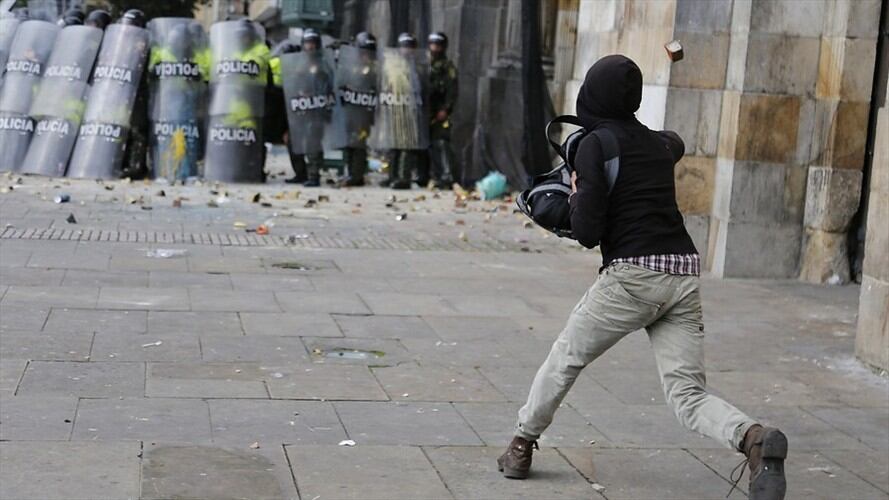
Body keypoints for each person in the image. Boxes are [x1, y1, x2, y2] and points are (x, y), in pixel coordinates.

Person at [497, 55, 787, 500]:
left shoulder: (595, 145)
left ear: (591, 95)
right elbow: (675, 141)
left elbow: (589, 231)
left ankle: (520, 444)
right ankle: (752, 438)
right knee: (686, 395)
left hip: (632, 276)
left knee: (566, 358)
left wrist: (576, 195)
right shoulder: (656, 145)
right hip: (683, 275)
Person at [339, 30, 377, 187]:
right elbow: (341, 85)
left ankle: (357, 175)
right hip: (350, 112)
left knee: (359, 144)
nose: (365, 56)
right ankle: (351, 173)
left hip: (364, 114)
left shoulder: (375, 70)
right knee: (349, 144)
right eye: (363, 52)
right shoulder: (350, 67)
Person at [268, 37, 304, 183]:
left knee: (293, 141)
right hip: (285, 106)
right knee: (292, 141)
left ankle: (303, 173)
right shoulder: (301, 66)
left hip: (286, 106)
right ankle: (303, 173)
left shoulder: (275, 62)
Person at [425, 31, 458, 189]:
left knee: (441, 142)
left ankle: (447, 176)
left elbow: (452, 90)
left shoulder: (447, 67)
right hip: (425, 111)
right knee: (427, 145)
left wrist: (446, 109)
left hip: (439, 111)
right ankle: (429, 175)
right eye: (432, 44)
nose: (435, 48)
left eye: (438, 45)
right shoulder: (425, 64)